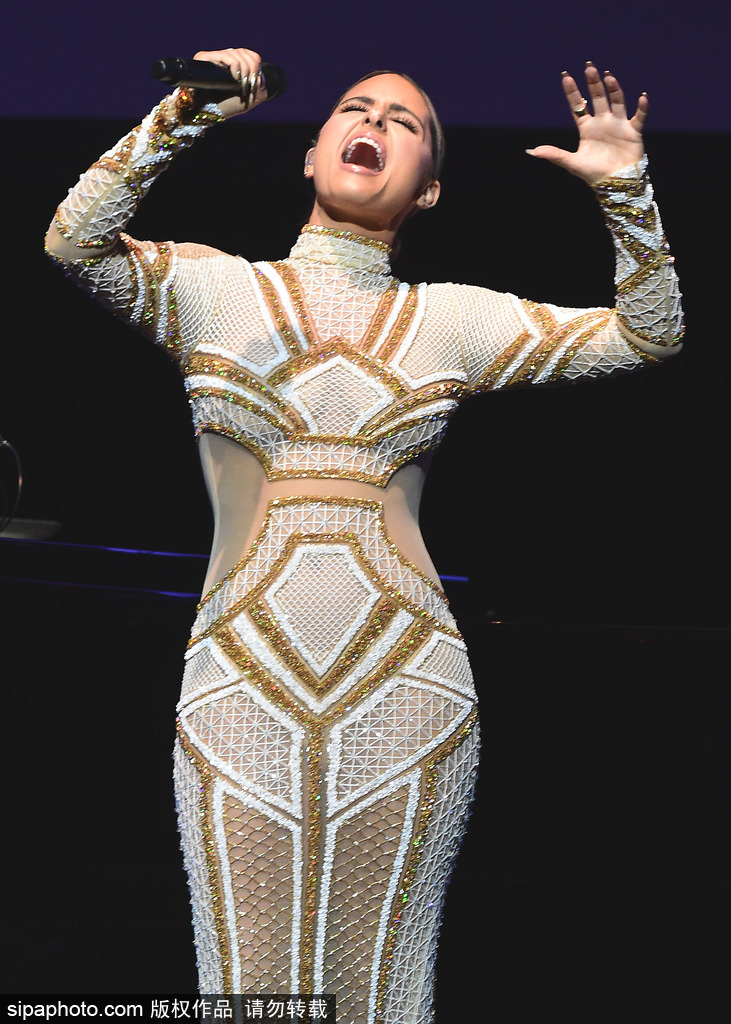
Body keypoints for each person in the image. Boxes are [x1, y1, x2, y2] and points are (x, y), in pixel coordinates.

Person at [45, 48, 683, 1022]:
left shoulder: (451, 320)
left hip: (407, 692)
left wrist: (624, 192)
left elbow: (648, 333)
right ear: (311, 154)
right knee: (249, 991)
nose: (375, 123)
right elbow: (74, 244)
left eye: (405, 122)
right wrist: (187, 111)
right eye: (356, 107)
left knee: (382, 991)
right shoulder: (216, 292)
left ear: (427, 190)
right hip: (239, 687)